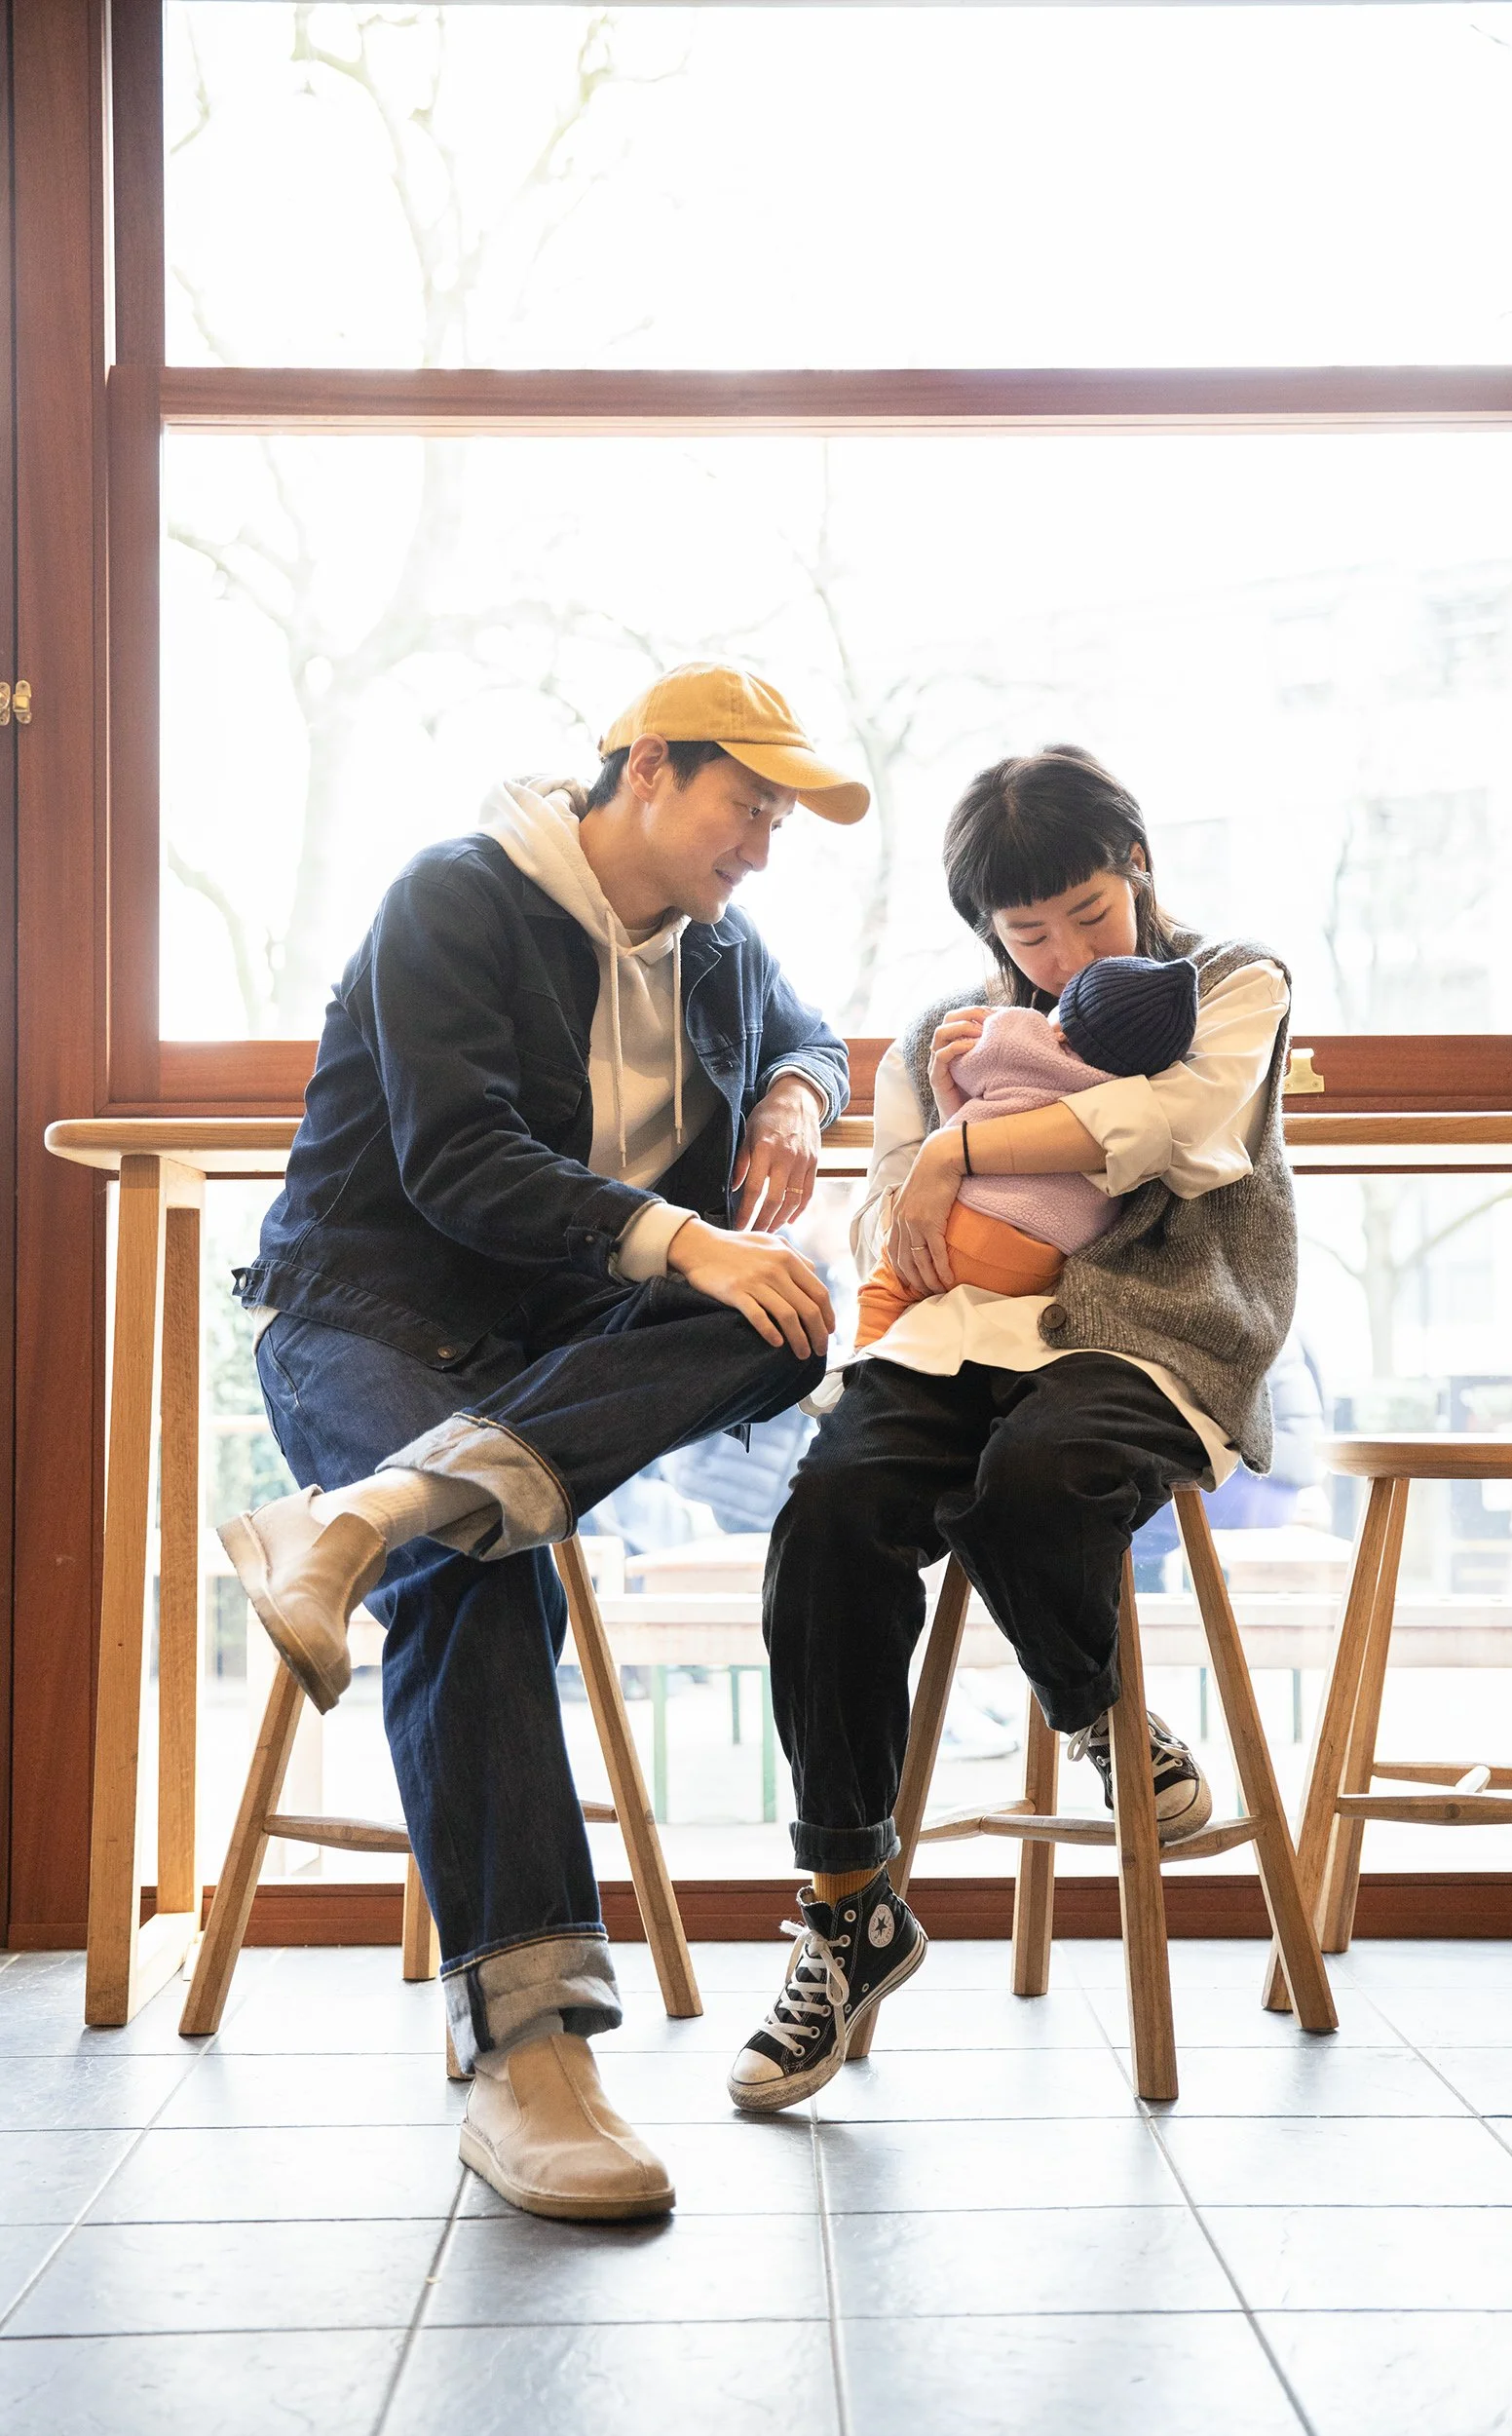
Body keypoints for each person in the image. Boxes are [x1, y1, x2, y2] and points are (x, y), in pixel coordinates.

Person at [220, 662, 866, 2218]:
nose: (762, 846)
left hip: (540, 1355)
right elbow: (456, 1165)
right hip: (368, 1316)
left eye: (779, 819)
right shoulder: (454, 900)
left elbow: (811, 1029)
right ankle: (534, 2066)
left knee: (785, 1308)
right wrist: (680, 1235)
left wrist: (790, 1089)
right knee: (479, 1578)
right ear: (646, 769)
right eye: (744, 806)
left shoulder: (714, 945)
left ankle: (365, 1517)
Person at [729, 742, 1298, 2112]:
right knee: (826, 1523)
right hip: (950, 1338)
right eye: (1024, 934)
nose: (1056, 958)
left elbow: (1176, 1126)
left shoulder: (1230, 983)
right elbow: (889, 1217)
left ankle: (1100, 1721)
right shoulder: (946, 1028)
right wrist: (920, 1172)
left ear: (1136, 867)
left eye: (1085, 916)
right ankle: (850, 1905)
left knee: (1031, 1481)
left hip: (1151, 1329)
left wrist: (955, 1150)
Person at [853, 952, 1198, 1347]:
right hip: (1043, 1262)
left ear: (1063, 1028)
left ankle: (861, 1361)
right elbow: (983, 1120)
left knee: (887, 1290)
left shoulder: (1019, 1032)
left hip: (963, 1227)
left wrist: (971, 1049)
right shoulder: (1130, 1090)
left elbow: (970, 1076)